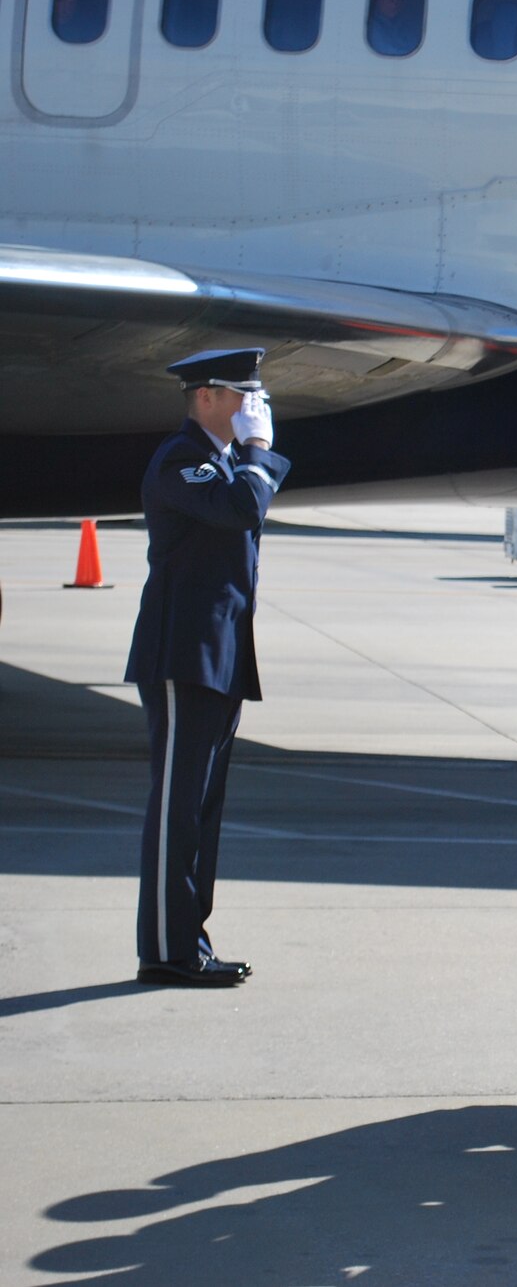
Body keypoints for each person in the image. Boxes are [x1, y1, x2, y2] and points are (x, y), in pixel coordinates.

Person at [124, 349, 290, 987]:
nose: (253, 407)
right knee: (177, 807)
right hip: (182, 654)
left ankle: (189, 939)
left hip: (218, 655)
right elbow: (242, 509)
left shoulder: (221, 463)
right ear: (204, 398)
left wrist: (250, 453)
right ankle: (166, 951)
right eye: (240, 394)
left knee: (202, 810)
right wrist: (257, 449)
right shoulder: (180, 460)